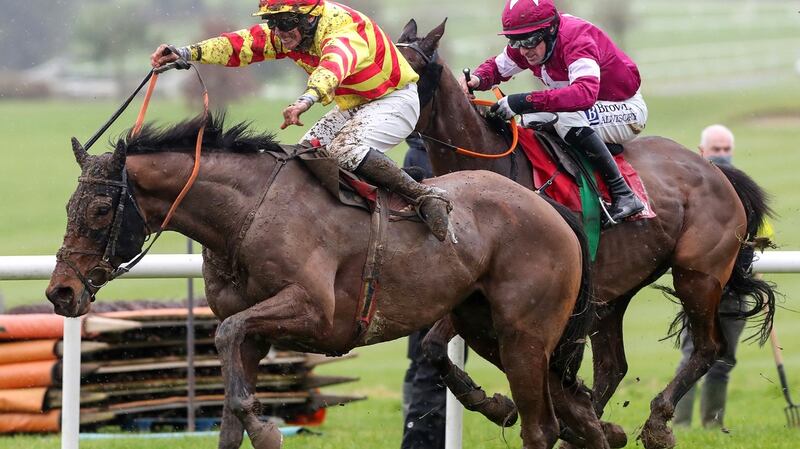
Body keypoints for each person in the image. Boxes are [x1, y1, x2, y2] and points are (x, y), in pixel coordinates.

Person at [150, 0, 450, 241]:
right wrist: (185, 53)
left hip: (395, 98)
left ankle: (424, 196)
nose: (278, 32)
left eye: (284, 23)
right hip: (357, 102)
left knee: (345, 150)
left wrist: (307, 99)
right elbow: (240, 45)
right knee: (306, 156)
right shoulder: (291, 30)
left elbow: (334, 65)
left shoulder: (342, 29)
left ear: (310, 18)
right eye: (273, 22)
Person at [459, 0, 647, 225]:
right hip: (588, 109)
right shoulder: (532, 41)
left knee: (564, 118)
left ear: (550, 29)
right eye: (515, 41)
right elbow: (498, 67)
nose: (523, 50)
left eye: (528, 41)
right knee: (529, 118)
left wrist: (523, 100)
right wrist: (477, 79)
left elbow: (583, 95)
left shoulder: (576, 39)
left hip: (625, 109)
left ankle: (623, 193)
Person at [672, 124, 774, 429]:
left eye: (726, 149)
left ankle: (712, 425)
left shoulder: (742, 188)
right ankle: (679, 422)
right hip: (702, 289)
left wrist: (755, 245)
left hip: (736, 294)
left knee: (724, 361)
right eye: (716, 149)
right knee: (693, 355)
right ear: (702, 151)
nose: (722, 154)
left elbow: (766, 235)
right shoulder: (692, 190)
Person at [400, 138, 446, 449]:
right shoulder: (422, 157)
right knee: (430, 365)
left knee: (422, 365)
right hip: (434, 281)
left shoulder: (418, 152)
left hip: (421, 279)